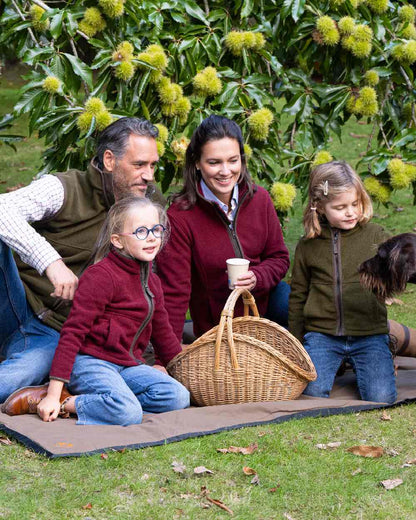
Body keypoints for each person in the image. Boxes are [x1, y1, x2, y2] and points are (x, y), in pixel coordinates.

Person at [0, 117, 161, 405]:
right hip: (13, 302)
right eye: (139, 165)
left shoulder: (146, 207)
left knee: (7, 385)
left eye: (152, 165)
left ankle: (56, 392)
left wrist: (157, 358)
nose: (148, 175)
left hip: (53, 333)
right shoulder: (64, 188)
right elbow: (2, 209)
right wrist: (52, 263)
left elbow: (152, 286)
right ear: (110, 160)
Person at [10, 196, 190, 425]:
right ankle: (65, 401)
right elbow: (72, 333)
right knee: (128, 412)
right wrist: (55, 394)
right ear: (117, 241)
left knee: (178, 396)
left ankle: (111, 399)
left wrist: (187, 373)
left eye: (157, 229)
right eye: (141, 232)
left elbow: (164, 335)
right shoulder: (101, 277)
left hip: (127, 365)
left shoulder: (152, 281)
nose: (152, 237)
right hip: (91, 363)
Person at [156, 115, 290, 342]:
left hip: (264, 311)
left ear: (242, 160)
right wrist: (165, 359)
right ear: (197, 163)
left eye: (232, 160)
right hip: (218, 324)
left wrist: (258, 277)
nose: (225, 171)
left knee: (296, 303)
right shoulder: (180, 218)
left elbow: (279, 258)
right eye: (214, 162)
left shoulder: (260, 199)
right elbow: (174, 292)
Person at [288, 161, 397, 404]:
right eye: (340, 207)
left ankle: (384, 353)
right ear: (320, 207)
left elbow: (399, 271)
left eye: (355, 204)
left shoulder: (376, 236)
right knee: (311, 394)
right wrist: (296, 341)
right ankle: (333, 364)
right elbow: (298, 294)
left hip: (369, 332)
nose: (350, 212)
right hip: (322, 335)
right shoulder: (308, 245)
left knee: (381, 397)